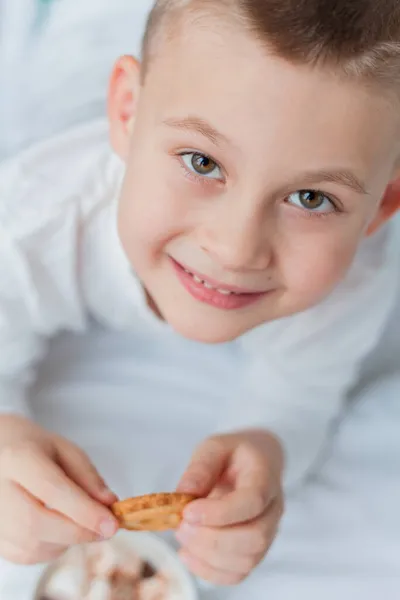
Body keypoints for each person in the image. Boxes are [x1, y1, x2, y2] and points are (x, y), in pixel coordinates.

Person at [0, 0, 399, 586]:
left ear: (382, 206)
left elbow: (304, 389)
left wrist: (267, 443)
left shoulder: (355, 277)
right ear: (128, 112)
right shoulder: (35, 221)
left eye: (311, 198)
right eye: (200, 161)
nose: (237, 250)